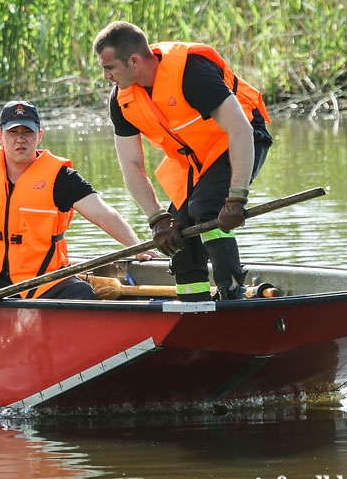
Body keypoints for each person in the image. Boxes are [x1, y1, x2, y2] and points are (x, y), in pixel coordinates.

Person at [92, 21, 273, 301]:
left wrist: (236, 198)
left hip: (243, 140)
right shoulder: (121, 101)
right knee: (178, 236)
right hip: (197, 162)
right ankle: (194, 306)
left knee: (207, 208)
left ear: (134, 60)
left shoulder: (193, 73)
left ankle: (231, 291)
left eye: (109, 68)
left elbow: (241, 130)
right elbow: (131, 165)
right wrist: (157, 219)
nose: (106, 76)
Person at [0, 100, 155, 300]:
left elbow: (103, 213)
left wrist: (136, 247)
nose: (20, 140)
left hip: (45, 280)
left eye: (27, 132)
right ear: (0, 136)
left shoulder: (60, 177)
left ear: (39, 136)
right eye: (13, 133)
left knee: (81, 293)